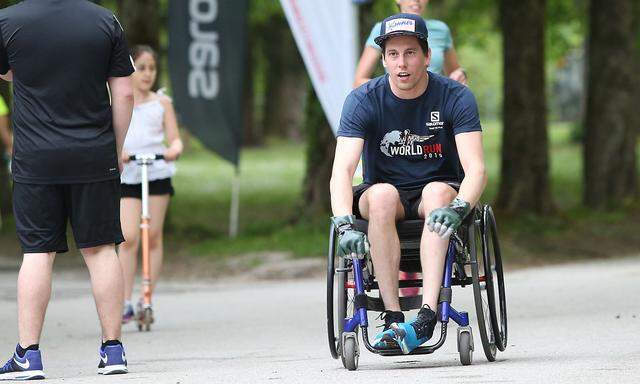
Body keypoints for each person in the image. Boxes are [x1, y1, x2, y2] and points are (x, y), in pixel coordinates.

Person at [330, 13, 486, 354]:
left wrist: (461, 207)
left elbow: (476, 168)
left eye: (410, 53)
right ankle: (392, 314)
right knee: (383, 196)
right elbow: (342, 170)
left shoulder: (455, 97)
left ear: (427, 56)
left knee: (438, 193)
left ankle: (427, 315)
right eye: (393, 54)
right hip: (385, 195)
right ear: (383, 59)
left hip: (439, 192)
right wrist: (343, 223)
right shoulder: (363, 99)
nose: (402, 63)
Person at [0, 0, 135, 379]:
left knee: (37, 252)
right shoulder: (104, 20)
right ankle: (113, 351)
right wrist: (117, 148)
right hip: (94, 155)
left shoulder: (7, 21)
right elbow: (124, 93)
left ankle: (29, 355)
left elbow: (9, 73)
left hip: (35, 158)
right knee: (101, 249)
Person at [118, 45, 183, 324]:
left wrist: (174, 149)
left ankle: (147, 298)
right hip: (129, 173)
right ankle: (123, 301)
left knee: (153, 235)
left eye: (152, 68)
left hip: (155, 171)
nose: (147, 74)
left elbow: (175, 138)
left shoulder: (162, 103)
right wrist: (117, 151)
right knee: (129, 236)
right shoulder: (120, 100)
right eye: (141, 67)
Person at [354, 0, 467, 88]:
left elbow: (454, 74)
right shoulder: (383, 29)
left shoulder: (441, 30)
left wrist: (460, 75)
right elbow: (359, 82)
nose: (416, 0)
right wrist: (393, 89)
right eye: (393, 53)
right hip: (397, 106)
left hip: (434, 107)